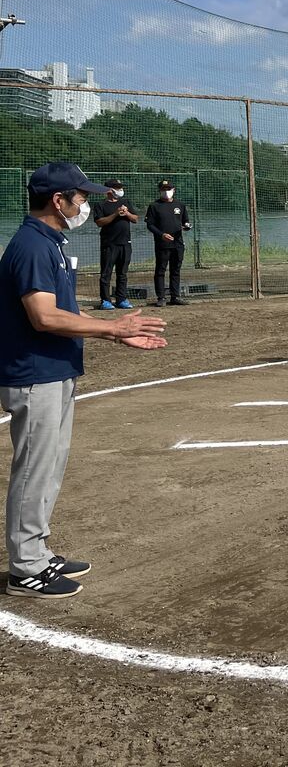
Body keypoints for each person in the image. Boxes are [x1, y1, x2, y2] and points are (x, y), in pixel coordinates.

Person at [2, 163, 167, 598]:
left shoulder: (50, 243)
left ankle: (37, 551)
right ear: (58, 201)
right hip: (35, 373)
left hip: (55, 369)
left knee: (50, 467)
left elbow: (66, 311)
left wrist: (114, 333)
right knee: (34, 470)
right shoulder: (32, 245)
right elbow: (44, 316)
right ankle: (25, 568)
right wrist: (112, 327)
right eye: (80, 197)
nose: (84, 205)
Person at [94, 177, 139, 310]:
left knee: (122, 273)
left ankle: (121, 299)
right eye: (117, 188)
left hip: (125, 243)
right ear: (109, 190)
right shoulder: (101, 205)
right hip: (109, 244)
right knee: (106, 273)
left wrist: (127, 213)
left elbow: (135, 219)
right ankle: (105, 300)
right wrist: (115, 214)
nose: (120, 190)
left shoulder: (125, 202)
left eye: (121, 188)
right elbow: (99, 222)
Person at [145, 179, 191, 306]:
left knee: (175, 270)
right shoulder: (154, 206)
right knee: (160, 270)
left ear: (173, 190)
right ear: (160, 191)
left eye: (168, 189)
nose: (166, 192)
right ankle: (161, 297)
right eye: (163, 189)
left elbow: (185, 221)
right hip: (162, 244)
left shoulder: (180, 205)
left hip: (178, 243)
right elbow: (150, 225)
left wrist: (187, 226)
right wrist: (161, 235)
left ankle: (175, 296)